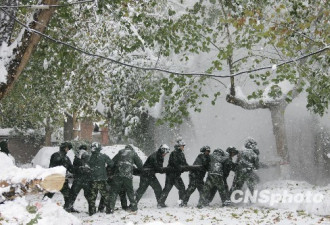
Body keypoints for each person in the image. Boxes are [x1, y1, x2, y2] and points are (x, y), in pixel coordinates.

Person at [109, 144, 143, 213]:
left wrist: (112, 172)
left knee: (114, 191)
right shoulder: (133, 153)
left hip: (118, 175)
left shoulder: (120, 152)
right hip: (127, 176)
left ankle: (110, 208)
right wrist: (137, 170)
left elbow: (112, 163)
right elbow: (140, 165)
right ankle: (134, 207)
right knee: (130, 191)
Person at [43, 142, 74, 212]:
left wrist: (78, 169)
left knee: (68, 194)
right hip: (56, 179)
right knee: (50, 193)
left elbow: (70, 168)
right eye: (67, 148)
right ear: (64, 148)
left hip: (61, 179)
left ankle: (68, 208)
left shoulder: (65, 157)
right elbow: (52, 167)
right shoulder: (57, 156)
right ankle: (42, 206)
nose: (68, 150)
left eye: (68, 149)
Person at [157, 139, 188, 208]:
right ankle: (160, 203)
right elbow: (175, 164)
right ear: (179, 146)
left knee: (181, 188)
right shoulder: (174, 153)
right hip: (171, 174)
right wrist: (181, 168)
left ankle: (181, 202)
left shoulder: (181, 154)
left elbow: (184, 163)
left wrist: (187, 167)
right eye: (182, 146)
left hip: (176, 175)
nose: (183, 147)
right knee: (168, 189)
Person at [87, 142, 114, 215]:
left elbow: (86, 167)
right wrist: (105, 169)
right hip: (102, 179)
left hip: (92, 180)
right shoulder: (103, 156)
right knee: (106, 195)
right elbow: (111, 164)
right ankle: (109, 210)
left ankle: (92, 212)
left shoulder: (88, 157)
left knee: (92, 197)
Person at [66, 144, 91, 213]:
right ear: (86, 149)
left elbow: (73, 168)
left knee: (73, 194)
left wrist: (77, 172)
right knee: (89, 195)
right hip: (86, 179)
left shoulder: (76, 157)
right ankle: (92, 210)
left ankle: (68, 208)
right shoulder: (89, 156)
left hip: (78, 179)